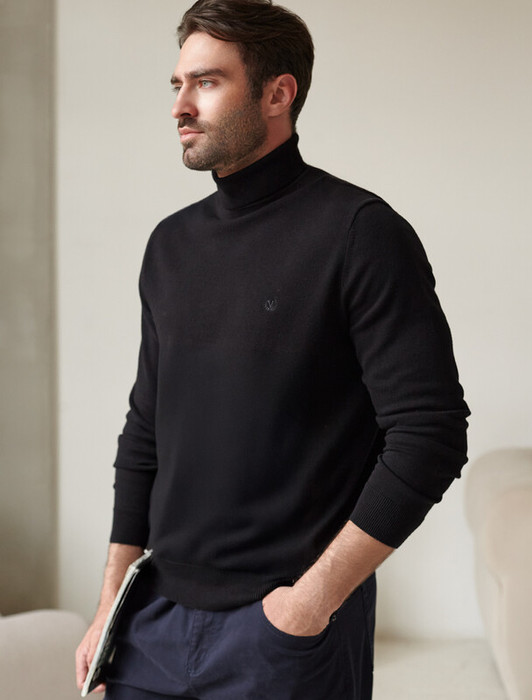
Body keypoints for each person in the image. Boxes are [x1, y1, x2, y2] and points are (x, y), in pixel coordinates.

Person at [76, 1, 469, 698]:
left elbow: (430, 434)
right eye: (178, 84)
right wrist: (110, 603)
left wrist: (308, 605)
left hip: (283, 636)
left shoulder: (361, 233)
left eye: (207, 82)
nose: (181, 106)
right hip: (150, 623)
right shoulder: (170, 245)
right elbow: (145, 433)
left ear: (278, 94)